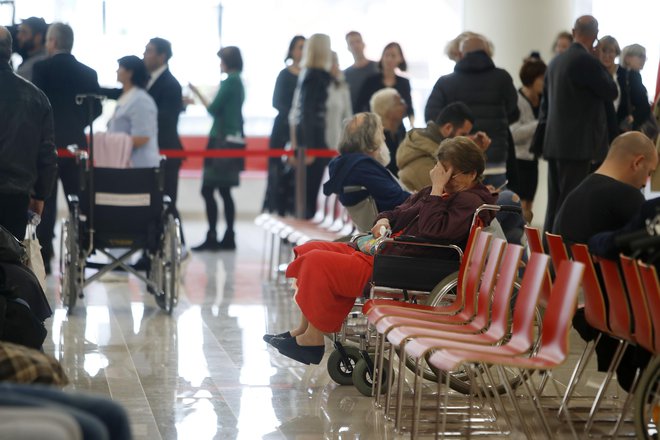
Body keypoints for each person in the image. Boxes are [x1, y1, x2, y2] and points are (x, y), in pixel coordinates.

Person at [263, 136, 497, 365]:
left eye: (449, 173)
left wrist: (436, 189)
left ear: (471, 175)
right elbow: (399, 211)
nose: (442, 178)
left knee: (317, 262)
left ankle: (312, 342)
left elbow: (432, 231)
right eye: (440, 170)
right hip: (390, 253)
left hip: (404, 265)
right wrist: (384, 220)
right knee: (309, 249)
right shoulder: (439, 193)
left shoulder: (469, 201)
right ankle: (303, 331)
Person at [32, 22, 102, 274]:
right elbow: (97, 108)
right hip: (76, 147)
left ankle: (45, 253)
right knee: (79, 201)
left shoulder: (41, 69)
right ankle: (81, 249)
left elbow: (36, 104)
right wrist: (76, 125)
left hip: (47, 146)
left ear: (52, 42)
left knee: (44, 201)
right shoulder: (88, 73)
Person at [538, 15, 618, 235]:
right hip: (577, 145)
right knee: (570, 203)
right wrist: (601, 64)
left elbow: (546, 104)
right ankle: (563, 255)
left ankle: (549, 251)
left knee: (555, 201)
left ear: (574, 32)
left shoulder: (555, 61)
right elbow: (611, 91)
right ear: (596, 36)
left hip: (554, 143)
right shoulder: (587, 61)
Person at [424, 36, 519, 188]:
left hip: (459, 164)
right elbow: (514, 112)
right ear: (487, 53)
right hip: (495, 160)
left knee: (460, 209)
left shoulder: (446, 82)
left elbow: (432, 117)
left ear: (460, 55)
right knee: (496, 206)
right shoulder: (502, 78)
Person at [0, 26, 57, 240]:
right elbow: (47, 153)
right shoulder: (36, 97)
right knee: (10, 260)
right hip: (16, 196)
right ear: (9, 51)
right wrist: (40, 195)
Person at [553, 131, 657, 245]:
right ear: (637, 163)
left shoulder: (576, 193)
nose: (645, 183)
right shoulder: (628, 195)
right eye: (649, 173)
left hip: (566, 262)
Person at [190, 46, 245, 251]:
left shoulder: (230, 81)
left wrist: (197, 93)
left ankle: (214, 235)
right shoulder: (237, 81)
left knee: (209, 189)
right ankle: (228, 235)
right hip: (231, 140)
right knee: (224, 190)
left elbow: (213, 109)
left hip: (220, 142)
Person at [142, 37, 186, 239]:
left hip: (166, 151)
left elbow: (165, 119)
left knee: (167, 201)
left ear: (162, 56)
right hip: (153, 151)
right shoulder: (148, 81)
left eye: (149, 51)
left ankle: (175, 244)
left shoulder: (170, 84)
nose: (145, 55)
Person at [322, 112, 409, 212]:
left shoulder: (345, 165)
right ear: (371, 138)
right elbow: (399, 200)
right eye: (381, 133)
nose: (384, 138)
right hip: (390, 223)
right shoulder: (363, 168)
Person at [289, 33, 333, 219]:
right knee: (311, 194)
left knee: (309, 193)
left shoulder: (309, 74)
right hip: (314, 142)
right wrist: (310, 147)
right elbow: (307, 113)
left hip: (311, 140)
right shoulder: (316, 76)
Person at [397, 102, 484, 192]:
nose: (465, 139)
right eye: (463, 134)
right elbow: (445, 200)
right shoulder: (427, 161)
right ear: (448, 128)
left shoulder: (424, 147)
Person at [262, 35, 305, 215]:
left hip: (302, 131)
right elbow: (276, 101)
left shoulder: (310, 75)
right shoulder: (284, 74)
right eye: (299, 47)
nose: (301, 51)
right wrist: (293, 115)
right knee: (278, 175)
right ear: (292, 50)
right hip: (282, 129)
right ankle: (277, 210)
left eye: (305, 47)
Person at [510, 56, 546, 223]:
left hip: (533, 159)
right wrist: (539, 124)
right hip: (519, 159)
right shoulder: (517, 100)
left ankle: (526, 238)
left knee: (529, 203)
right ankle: (519, 241)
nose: (544, 81)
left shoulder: (543, 99)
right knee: (520, 204)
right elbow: (515, 133)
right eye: (542, 78)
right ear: (532, 78)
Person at [107, 55, 160, 168]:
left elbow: (142, 137)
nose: (117, 71)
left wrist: (108, 141)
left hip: (138, 166)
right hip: (124, 163)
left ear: (130, 73)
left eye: (120, 67)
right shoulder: (126, 97)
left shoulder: (140, 100)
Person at [355, 42, 414, 133]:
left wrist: (412, 129)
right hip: (374, 130)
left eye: (393, 56)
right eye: (386, 55)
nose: (389, 59)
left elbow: (409, 108)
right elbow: (359, 107)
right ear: (382, 57)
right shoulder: (371, 81)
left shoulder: (404, 82)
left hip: (397, 130)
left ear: (400, 59)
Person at [597, 37, 651, 135]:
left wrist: (632, 118)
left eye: (611, 51)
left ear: (616, 53)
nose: (607, 55)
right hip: (599, 128)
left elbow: (644, 106)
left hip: (620, 129)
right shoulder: (595, 73)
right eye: (604, 51)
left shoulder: (628, 74)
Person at [369, 88, 407, 175]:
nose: (405, 105)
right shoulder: (376, 140)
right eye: (400, 103)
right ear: (387, 110)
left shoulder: (401, 131)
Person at [343, 31, 379, 113]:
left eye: (358, 41)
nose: (355, 46)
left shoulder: (377, 67)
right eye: (351, 43)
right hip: (357, 119)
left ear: (363, 44)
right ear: (348, 47)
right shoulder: (345, 74)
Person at [325, 51, 353, 151]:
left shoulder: (342, 86)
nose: (335, 65)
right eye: (331, 61)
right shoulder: (317, 86)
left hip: (337, 142)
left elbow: (348, 115)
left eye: (336, 61)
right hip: (318, 143)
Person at [15, 17, 48, 81]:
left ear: (38, 37)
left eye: (24, 32)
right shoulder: (30, 60)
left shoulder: (38, 65)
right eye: (19, 31)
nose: (18, 36)